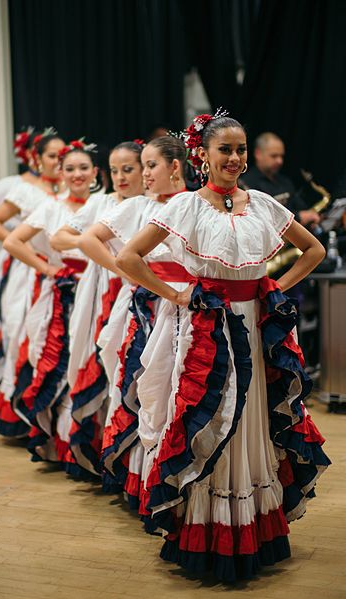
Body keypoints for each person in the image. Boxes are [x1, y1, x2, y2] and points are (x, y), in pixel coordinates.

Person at [114, 111, 330, 582]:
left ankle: (253, 531)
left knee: (253, 420)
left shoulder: (265, 205)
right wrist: (175, 294)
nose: (234, 158)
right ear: (202, 155)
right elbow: (129, 256)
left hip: (255, 327)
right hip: (208, 331)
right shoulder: (185, 206)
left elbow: (315, 250)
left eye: (240, 149)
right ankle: (206, 533)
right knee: (210, 418)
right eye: (224, 150)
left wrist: (276, 288)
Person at [77, 136, 189, 507]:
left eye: (147, 165)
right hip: (148, 303)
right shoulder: (139, 206)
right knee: (144, 384)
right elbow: (89, 239)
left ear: (175, 166)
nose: (141, 173)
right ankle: (142, 476)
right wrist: (131, 273)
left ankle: (179, 475)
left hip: (190, 304)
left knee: (182, 389)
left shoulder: (194, 203)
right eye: (139, 166)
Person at [50, 140, 145, 476]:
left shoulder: (151, 204)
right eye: (115, 170)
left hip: (141, 292)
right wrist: (95, 242)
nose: (120, 177)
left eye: (128, 169)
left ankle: (126, 454)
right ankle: (94, 446)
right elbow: (58, 238)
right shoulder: (100, 202)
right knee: (93, 359)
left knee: (131, 371)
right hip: (100, 290)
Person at [3, 139, 99, 463]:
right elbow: (13, 241)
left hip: (97, 290)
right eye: (70, 168)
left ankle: (89, 442)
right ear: (60, 172)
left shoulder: (104, 204)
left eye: (83, 168)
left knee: (93, 363)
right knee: (56, 362)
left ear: (95, 172)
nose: (77, 174)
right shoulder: (51, 206)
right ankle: (60, 444)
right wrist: (47, 268)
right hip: (59, 292)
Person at [0, 131, 66, 437]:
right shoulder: (26, 190)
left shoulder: (70, 187)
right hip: (28, 268)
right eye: (52, 156)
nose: (58, 161)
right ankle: (18, 410)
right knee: (23, 331)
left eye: (62, 155)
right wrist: (26, 250)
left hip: (62, 270)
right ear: (36, 158)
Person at [240, 132, 320, 227]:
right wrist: (298, 217)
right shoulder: (247, 184)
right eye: (274, 156)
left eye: (281, 156)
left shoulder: (285, 181)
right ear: (258, 153)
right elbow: (261, 219)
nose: (280, 161)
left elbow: (300, 207)